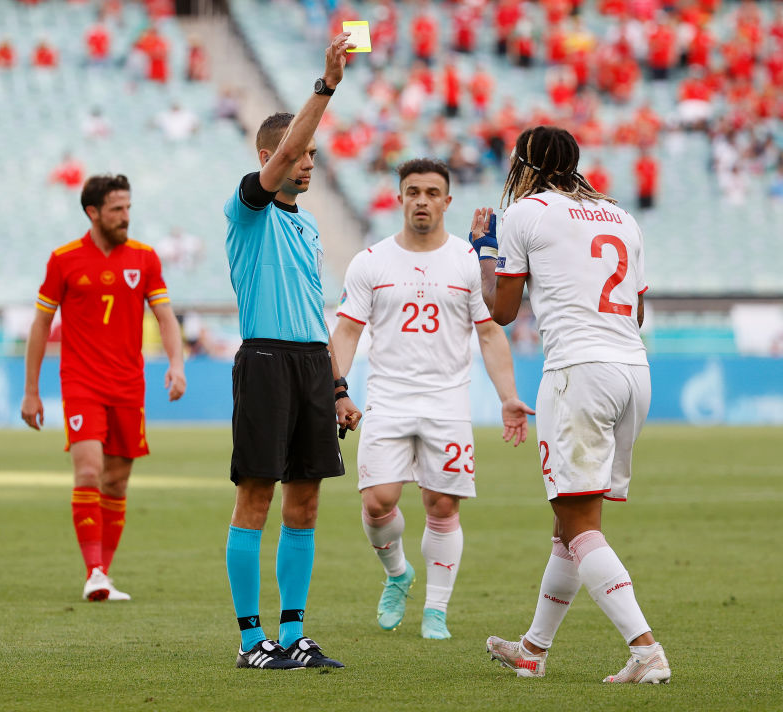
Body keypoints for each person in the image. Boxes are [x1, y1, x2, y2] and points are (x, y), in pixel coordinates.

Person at [480, 125, 670, 684]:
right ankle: (534, 650)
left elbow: (502, 311)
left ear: (523, 163)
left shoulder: (526, 214)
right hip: (633, 371)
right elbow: (635, 313)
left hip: (577, 372)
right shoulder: (621, 216)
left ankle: (645, 650)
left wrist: (484, 250)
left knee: (580, 522)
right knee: (571, 522)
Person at [331, 158, 533, 641]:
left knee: (442, 504)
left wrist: (508, 396)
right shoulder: (371, 261)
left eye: (431, 192)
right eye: (413, 191)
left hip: (447, 402)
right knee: (379, 503)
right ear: (399, 197)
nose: (421, 200)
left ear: (447, 201)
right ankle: (398, 573)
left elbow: (489, 334)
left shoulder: (467, 261)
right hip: (388, 399)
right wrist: (337, 390)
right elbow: (346, 332)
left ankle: (436, 611)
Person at [223, 32, 360, 671]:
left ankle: (294, 635)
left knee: (305, 500)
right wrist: (325, 85)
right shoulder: (247, 209)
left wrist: (336, 387)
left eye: (313, 155)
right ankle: (253, 642)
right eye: (300, 154)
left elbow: (315, 315)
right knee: (257, 496)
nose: (309, 164)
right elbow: (275, 169)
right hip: (266, 361)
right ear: (270, 155)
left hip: (309, 363)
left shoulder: (305, 226)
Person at [21, 174, 186, 602]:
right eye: (116, 209)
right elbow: (41, 324)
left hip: (129, 385)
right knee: (90, 469)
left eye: (128, 208)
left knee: (117, 481)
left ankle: (103, 574)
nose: (125, 216)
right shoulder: (64, 259)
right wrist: (31, 390)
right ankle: (93, 571)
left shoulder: (146, 258)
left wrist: (176, 364)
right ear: (93, 212)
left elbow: (166, 316)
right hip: (81, 382)